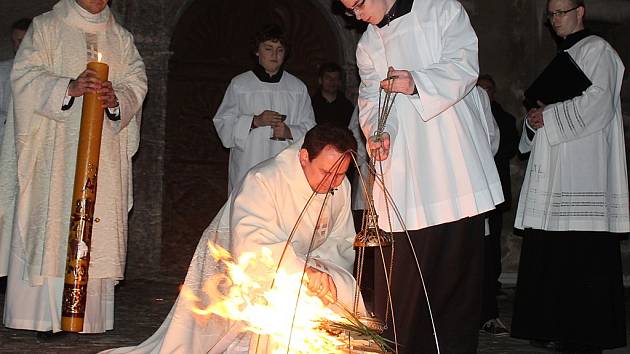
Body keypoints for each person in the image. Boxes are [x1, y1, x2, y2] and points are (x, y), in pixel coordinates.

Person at [100, 125, 364, 354]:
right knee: (284, 292)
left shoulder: (340, 186)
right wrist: (302, 271)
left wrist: (320, 269)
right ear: (304, 157)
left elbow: (340, 241)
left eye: (342, 174)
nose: (334, 182)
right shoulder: (264, 179)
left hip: (303, 266)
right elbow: (254, 243)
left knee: (341, 287)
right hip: (235, 263)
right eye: (327, 172)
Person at [341, 0, 504, 352]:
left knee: (456, 286)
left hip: (453, 166)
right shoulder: (368, 44)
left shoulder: (441, 9)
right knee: (405, 286)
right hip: (408, 178)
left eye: (357, 4)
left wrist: (417, 83)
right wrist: (377, 134)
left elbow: (464, 66)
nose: (355, 16)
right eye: (348, 9)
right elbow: (370, 98)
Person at [0, 0, 147, 334]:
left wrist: (116, 98)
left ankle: (86, 320)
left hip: (103, 156)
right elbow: (24, 77)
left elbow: (137, 82)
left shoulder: (120, 37)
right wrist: (67, 87)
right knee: (51, 223)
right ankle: (42, 317)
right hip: (54, 151)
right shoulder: (47, 26)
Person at [512, 0, 627, 352]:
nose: (555, 20)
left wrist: (552, 115)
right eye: (550, 14)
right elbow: (543, 112)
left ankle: (585, 332)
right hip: (555, 167)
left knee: (580, 253)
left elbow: (600, 103)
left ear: (581, 12)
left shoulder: (598, 51)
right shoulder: (563, 57)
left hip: (583, 170)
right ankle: (552, 325)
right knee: (551, 251)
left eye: (561, 12)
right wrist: (534, 122)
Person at [213, 24, 316, 193]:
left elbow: (311, 129)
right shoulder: (240, 85)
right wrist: (254, 121)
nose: (275, 55)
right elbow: (223, 124)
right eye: (268, 49)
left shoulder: (297, 88)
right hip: (248, 167)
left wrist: (289, 131)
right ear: (257, 51)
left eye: (280, 50)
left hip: (284, 172)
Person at [476, 74, 518, 337]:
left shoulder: (499, 115)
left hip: (487, 192)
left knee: (488, 253)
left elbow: (496, 144)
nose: (485, 92)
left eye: (489, 89)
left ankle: (488, 313)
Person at [0, 18, 31, 146]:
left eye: (21, 41)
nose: (17, 47)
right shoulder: (3, 70)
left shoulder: (48, 71)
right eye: (14, 42)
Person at [311, 62, 354, 128]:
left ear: (340, 82)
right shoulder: (311, 105)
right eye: (328, 77)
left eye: (336, 78)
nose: (332, 81)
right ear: (320, 80)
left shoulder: (347, 106)